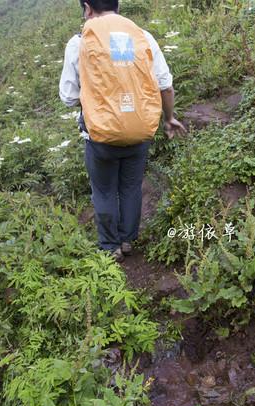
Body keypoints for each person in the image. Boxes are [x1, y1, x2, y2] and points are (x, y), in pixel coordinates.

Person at [59, 0, 186, 262]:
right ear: (117, 6)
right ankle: (128, 240)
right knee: (130, 187)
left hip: (101, 137)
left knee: (104, 191)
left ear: (87, 8)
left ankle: (110, 247)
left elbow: (69, 96)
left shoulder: (79, 42)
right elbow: (166, 86)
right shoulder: (143, 36)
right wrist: (169, 118)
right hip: (139, 131)